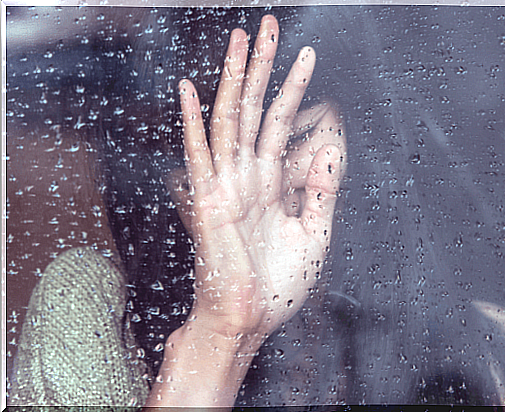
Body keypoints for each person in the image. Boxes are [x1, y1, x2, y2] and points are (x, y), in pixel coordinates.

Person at [9, 14, 347, 408]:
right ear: (182, 186)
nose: (322, 167)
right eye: (286, 141)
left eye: (308, 136)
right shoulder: (89, 307)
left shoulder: (375, 325)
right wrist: (222, 333)